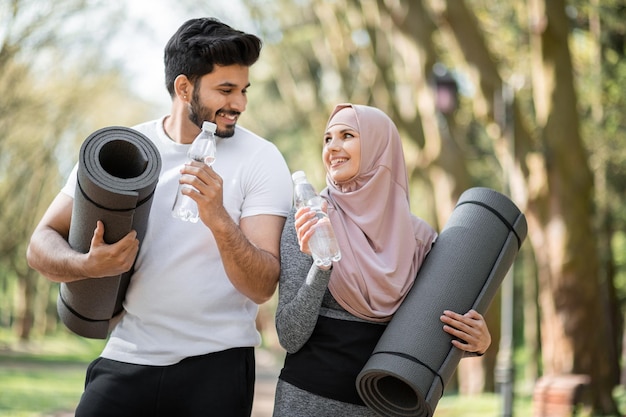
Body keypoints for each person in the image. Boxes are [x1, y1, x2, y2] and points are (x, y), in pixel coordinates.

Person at [26, 17, 293, 417]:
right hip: (128, 354)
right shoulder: (124, 148)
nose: (239, 104)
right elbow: (39, 243)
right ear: (184, 88)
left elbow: (261, 287)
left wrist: (218, 219)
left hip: (217, 366)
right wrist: (85, 265)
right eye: (225, 90)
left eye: (243, 90)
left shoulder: (262, 159)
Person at [272, 104, 492, 416]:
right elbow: (289, 336)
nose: (333, 147)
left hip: (388, 407)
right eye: (327, 139)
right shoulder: (309, 220)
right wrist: (322, 264)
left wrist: (476, 342)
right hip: (307, 403)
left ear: (380, 146)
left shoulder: (421, 240)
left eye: (347, 135)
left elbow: (427, 334)